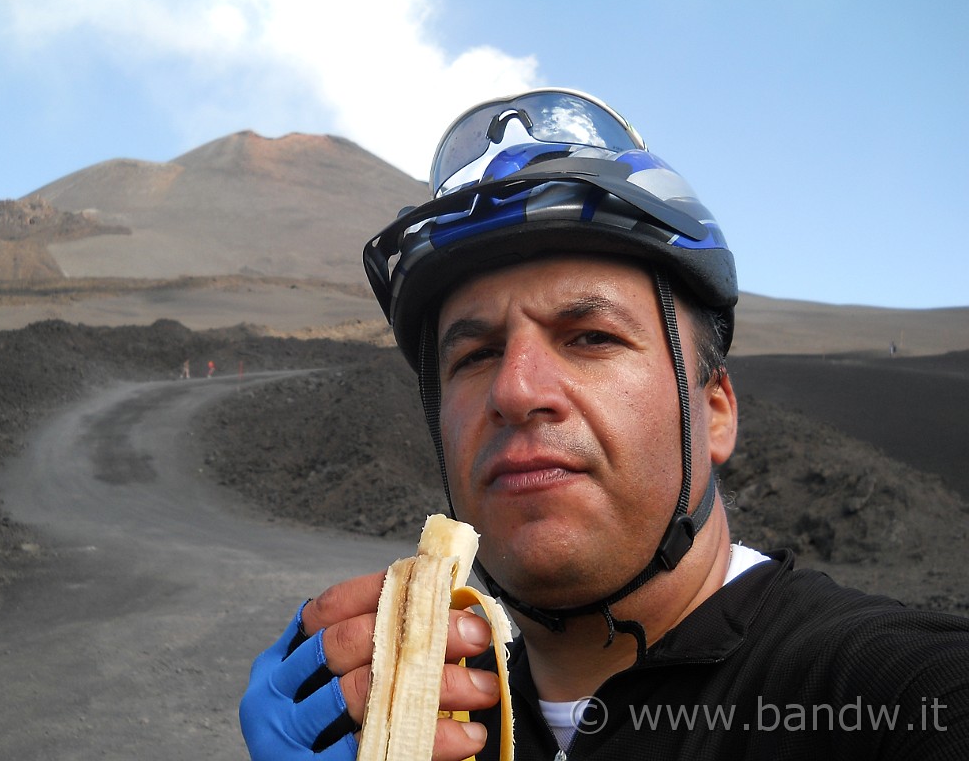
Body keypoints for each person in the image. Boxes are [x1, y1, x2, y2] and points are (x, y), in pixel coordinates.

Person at [239, 89, 969, 759]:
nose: (516, 390)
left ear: (714, 411)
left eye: (590, 337)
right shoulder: (424, 728)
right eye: (476, 354)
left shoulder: (895, 696)